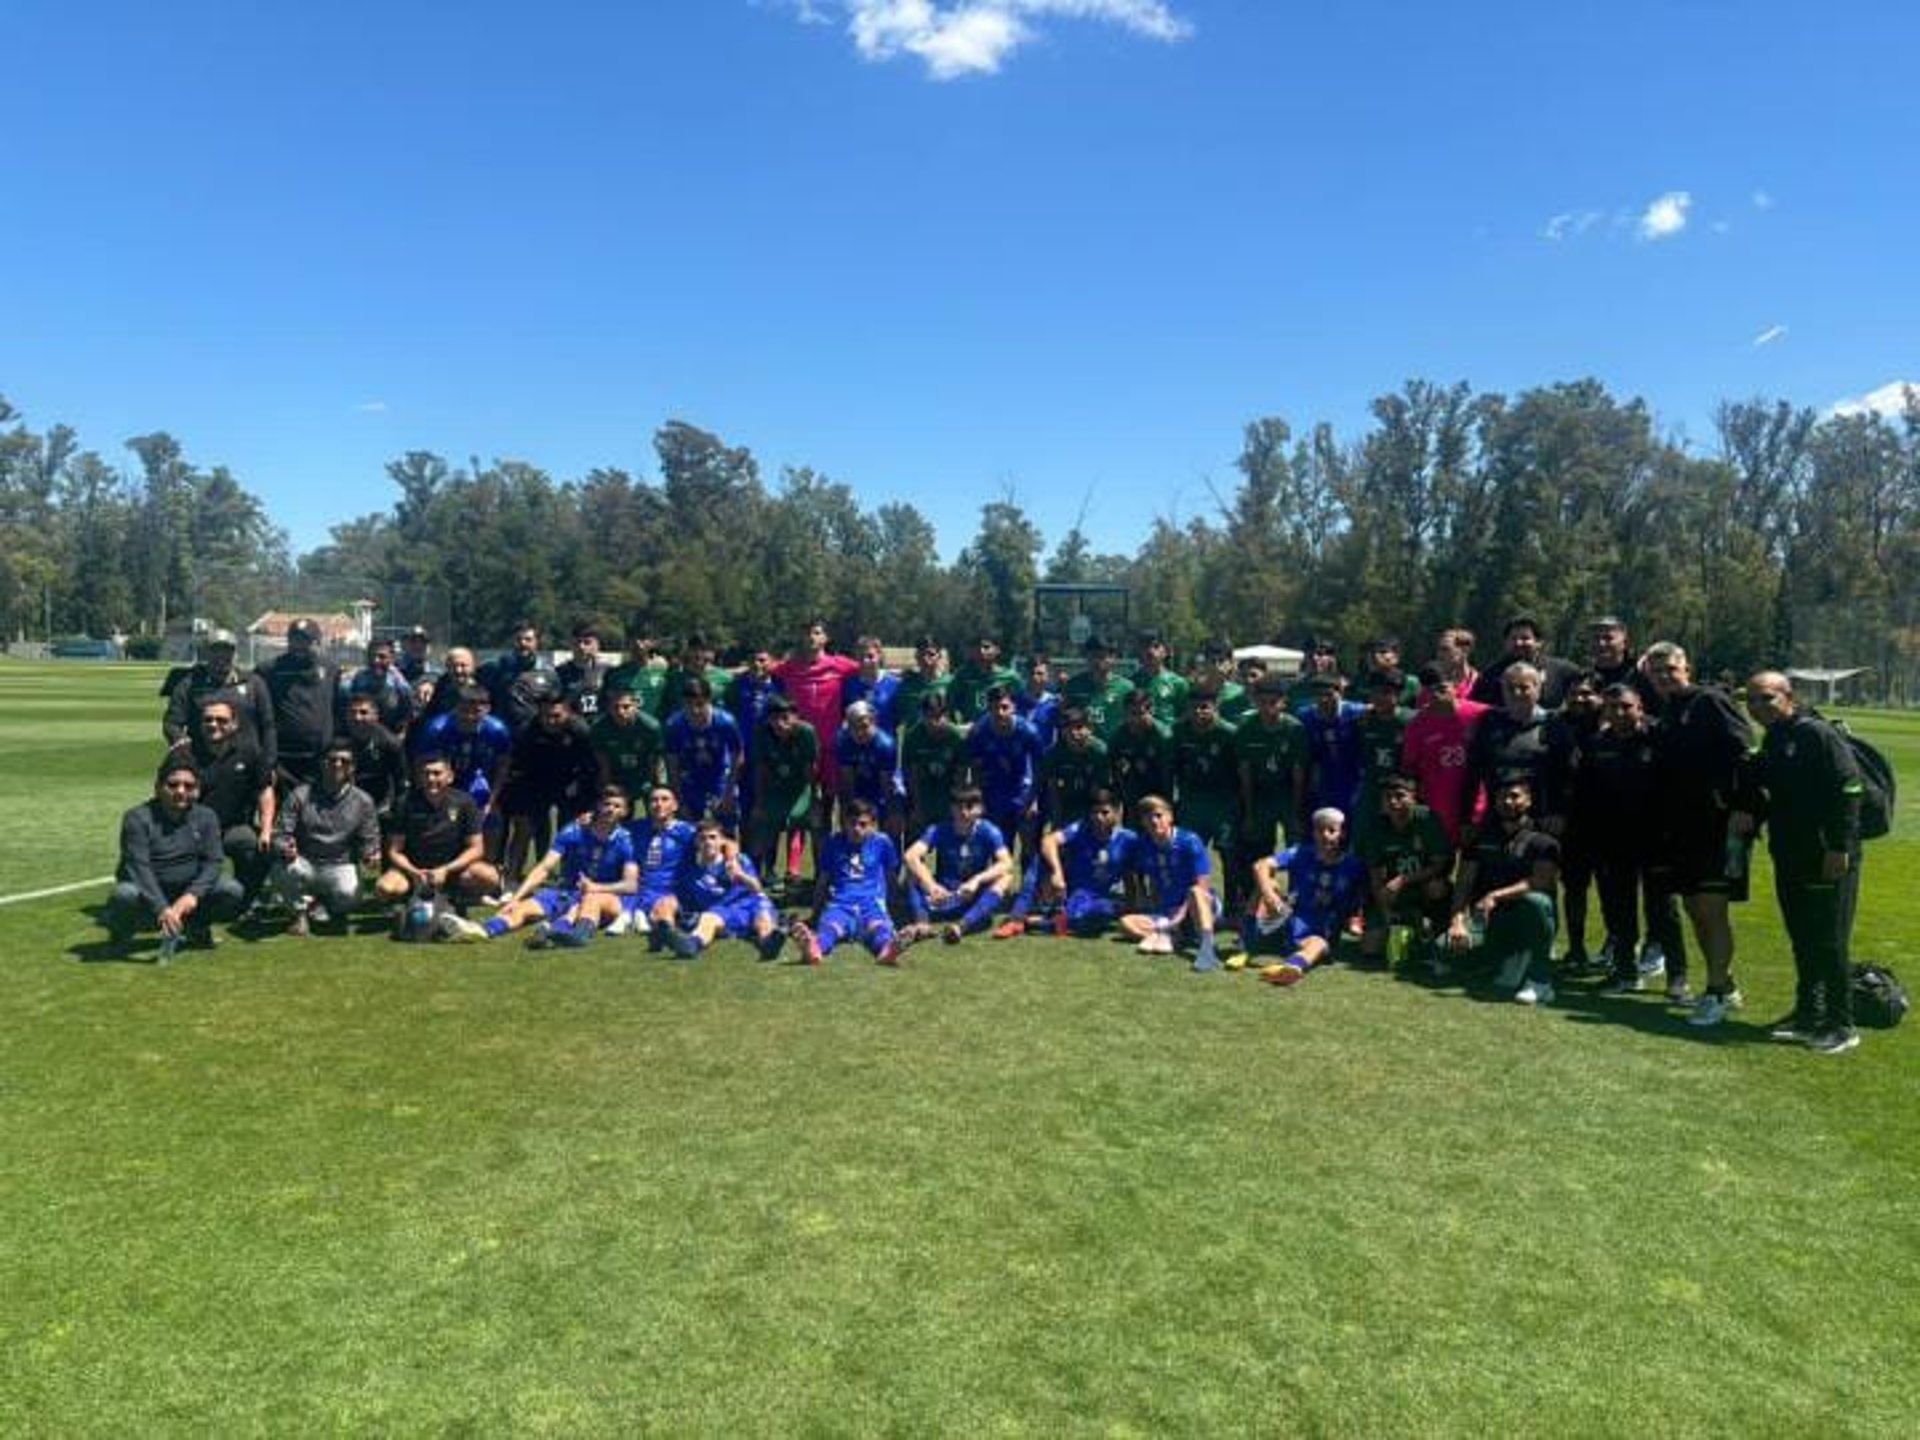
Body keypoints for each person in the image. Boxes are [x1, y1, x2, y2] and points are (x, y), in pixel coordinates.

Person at [1738, 671, 1867, 1055]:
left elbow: (1851, 787)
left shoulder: (1815, 734)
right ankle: (1809, 1013)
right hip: (1790, 853)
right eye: (1752, 700)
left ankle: (1841, 1024)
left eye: (1767, 698)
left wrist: (1839, 847)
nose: (1759, 707)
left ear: (1788, 697)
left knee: (1830, 941)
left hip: (1827, 854)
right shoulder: (1776, 738)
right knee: (1803, 938)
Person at [1645, 642, 1755, 1027]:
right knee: (1694, 908)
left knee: (1711, 908)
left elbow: (1746, 752)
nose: (1662, 676)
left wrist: (1745, 806)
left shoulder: (1710, 701)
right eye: (1655, 671)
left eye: (1669, 668)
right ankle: (1724, 985)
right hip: (1684, 828)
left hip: (1719, 825)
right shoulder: (1670, 710)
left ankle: (1714, 992)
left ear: (1686, 667)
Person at [446, 786, 639, 948]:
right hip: (566, 891)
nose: (610, 809)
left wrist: (596, 888)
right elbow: (545, 867)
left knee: (583, 905)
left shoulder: (627, 840)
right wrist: (517, 897)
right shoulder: (574, 830)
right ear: (598, 805)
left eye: (617, 806)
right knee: (521, 908)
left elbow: (630, 885)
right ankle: (482, 930)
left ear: (625, 811)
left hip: (601, 898)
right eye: (607, 804)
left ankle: (555, 932)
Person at [1588, 684, 1687, 996]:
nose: (1619, 713)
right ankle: (1625, 972)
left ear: (1640, 707)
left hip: (1657, 840)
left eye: (1626, 707)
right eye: (1612, 707)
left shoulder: (1660, 738)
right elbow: (1587, 795)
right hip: (1613, 841)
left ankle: (1677, 977)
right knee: (1619, 910)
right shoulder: (1597, 744)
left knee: (1663, 910)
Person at [102, 758, 245, 959]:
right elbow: (138, 867)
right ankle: (121, 933)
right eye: (173, 785)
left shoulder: (207, 817)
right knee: (123, 894)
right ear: (158, 787)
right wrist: (162, 907)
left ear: (198, 790)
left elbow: (214, 862)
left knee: (231, 890)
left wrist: (192, 895)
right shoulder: (137, 818)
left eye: (189, 786)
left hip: (186, 891)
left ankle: (197, 926)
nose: (180, 791)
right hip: (147, 893)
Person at [1447, 774, 1561, 1005]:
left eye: (1514, 796)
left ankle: (1540, 980)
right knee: (1445, 951)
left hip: (1526, 918)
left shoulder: (1543, 841)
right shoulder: (1480, 837)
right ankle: (1506, 959)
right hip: (1488, 921)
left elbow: (1540, 881)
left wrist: (1495, 895)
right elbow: (1464, 883)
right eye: (1501, 797)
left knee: (1536, 901)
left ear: (1528, 801)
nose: (1507, 802)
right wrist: (1457, 921)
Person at [167, 697, 277, 905]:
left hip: (231, 828)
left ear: (234, 724)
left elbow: (265, 790)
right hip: (189, 830)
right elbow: (164, 795)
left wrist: (266, 828)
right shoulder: (183, 755)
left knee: (257, 845)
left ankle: (245, 900)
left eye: (221, 720)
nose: (213, 725)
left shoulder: (250, 753)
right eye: (208, 720)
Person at [1242, 806, 1369, 985]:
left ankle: (1293, 967)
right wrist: (1270, 895)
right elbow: (1260, 865)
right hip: (1288, 918)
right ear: (1313, 833)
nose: (1325, 835)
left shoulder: (1353, 865)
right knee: (1267, 882)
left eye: (1331, 830)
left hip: (1321, 930)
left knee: (1318, 944)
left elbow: (1364, 895)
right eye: (1319, 830)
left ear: (1342, 834)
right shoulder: (1301, 852)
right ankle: (1248, 941)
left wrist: (1356, 919)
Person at [269, 740, 381, 936]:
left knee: (350, 895)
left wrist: (370, 855)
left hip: (340, 864)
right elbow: (280, 833)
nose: (337, 764)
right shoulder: (300, 795)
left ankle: (326, 905)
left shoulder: (364, 801)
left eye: (344, 761)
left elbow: (369, 839)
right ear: (322, 763)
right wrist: (284, 846)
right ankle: (299, 915)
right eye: (332, 760)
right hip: (305, 862)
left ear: (352, 768)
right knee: (283, 869)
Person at [996, 787, 1139, 939]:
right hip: (1077, 892)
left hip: (1104, 897)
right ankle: (1016, 918)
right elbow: (1048, 841)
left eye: (1105, 812)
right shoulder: (1081, 828)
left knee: (1098, 915)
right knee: (1040, 860)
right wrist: (1057, 873)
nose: (1098, 817)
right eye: (1094, 812)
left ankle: (1039, 922)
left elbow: (1132, 871)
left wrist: (1132, 906)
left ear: (1117, 813)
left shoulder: (1129, 839)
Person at [375, 753, 501, 913]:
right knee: (384, 888)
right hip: (415, 872)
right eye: (426, 773)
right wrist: (414, 872)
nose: (431, 779)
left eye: (437, 773)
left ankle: (457, 897)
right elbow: (394, 850)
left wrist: (446, 870)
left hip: (453, 871)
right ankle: (410, 900)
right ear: (420, 777)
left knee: (490, 877)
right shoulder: (405, 803)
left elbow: (476, 848)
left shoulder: (464, 802)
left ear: (450, 777)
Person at [499, 691, 602, 879]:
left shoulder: (580, 730)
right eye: (545, 715)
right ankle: (526, 872)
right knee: (531, 826)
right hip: (536, 781)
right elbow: (516, 765)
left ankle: (569, 873)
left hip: (570, 783)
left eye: (556, 716)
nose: (551, 721)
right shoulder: (527, 730)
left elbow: (592, 766)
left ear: (568, 713)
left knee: (570, 828)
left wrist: (583, 791)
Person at [1355, 775, 1454, 969]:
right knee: (1370, 947)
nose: (1393, 801)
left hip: (1423, 884)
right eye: (1388, 797)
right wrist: (1385, 913)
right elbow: (1375, 875)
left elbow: (1440, 864)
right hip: (1395, 892)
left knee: (1437, 887)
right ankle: (1410, 929)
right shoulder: (1376, 826)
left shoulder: (1427, 818)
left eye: (1400, 796)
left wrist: (1403, 879)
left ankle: (1439, 930)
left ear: (1414, 798)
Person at [791, 799, 904, 966]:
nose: (856, 829)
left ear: (873, 825)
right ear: (844, 823)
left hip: (871, 903)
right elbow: (823, 881)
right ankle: (813, 949)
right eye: (852, 823)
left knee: (879, 928)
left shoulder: (882, 843)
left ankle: (888, 951)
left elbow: (891, 877)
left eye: (863, 824)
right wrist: (815, 914)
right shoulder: (833, 843)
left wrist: (895, 906)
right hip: (841, 903)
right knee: (831, 928)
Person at [1119, 794, 1223, 972]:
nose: (1154, 821)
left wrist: (1179, 916)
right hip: (1167, 911)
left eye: (1158, 815)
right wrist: (1143, 895)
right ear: (1143, 822)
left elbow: (1203, 886)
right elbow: (1135, 871)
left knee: (1195, 892)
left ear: (1170, 817)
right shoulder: (1144, 844)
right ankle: (1173, 935)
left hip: (1198, 906)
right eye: (1148, 817)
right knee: (1126, 922)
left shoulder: (1189, 841)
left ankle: (1207, 948)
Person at [899, 786, 1014, 944]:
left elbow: (1007, 862)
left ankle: (961, 926)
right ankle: (922, 924)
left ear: (980, 809)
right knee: (912, 873)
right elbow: (910, 855)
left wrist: (977, 880)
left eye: (969, 807)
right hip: (942, 896)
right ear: (951, 809)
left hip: (971, 897)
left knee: (1005, 878)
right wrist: (931, 885)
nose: (964, 813)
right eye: (959, 807)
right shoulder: (939, 829)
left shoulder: (989, 831)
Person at [666, 816, 787, 961]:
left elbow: (757, 888)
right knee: (708, 919)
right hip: (722, 911)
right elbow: (685, 901)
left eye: (712, 837)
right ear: (696, 842)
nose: (708, 842)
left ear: (722, 841)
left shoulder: (740, 860)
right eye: (703, 838)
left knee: (763, 918)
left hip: (750, 903)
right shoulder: (691, 872)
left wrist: (740, 875)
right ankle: (692, 944)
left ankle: (768, 945)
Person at [1401, 663, 1491, 846]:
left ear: (1455, 686)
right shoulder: (1417, 725)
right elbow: (1410, 768)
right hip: (1437, 810)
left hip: (1478, 807)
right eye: (1429, 690)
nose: (1436, 695)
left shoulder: (1481, 714)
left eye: (1442, 688)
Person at [161, 627, 276, 763]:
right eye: (215, 650)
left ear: (234, 653)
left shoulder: (254, 683)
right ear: (206, 653)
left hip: (247, 766)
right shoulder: (190, 684)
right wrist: (180, 741)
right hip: (203, 763)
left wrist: (269, 762)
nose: (221, 655)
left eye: (227, 650)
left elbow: (268, 726)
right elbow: (172, 723)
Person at [1169, 683, 1241, 900]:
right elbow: (1172, 768)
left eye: (1204, 707)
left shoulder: (1230, 733)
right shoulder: (1179, 731)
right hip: (1191, 802)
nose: (1199, 713)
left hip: (1223, 804)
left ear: (1215, 706)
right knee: (1187, 852)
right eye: (1194, 708)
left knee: (1229, 854)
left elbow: (1241, 772)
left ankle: (1232, 904)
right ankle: (1189, 902)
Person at [744, 696, 819, 894]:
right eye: (775, 718)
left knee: (797, 818)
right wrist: (759, 803)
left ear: (796, 717)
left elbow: (810, 770)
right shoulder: (762, 733)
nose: (780, 724)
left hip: (799, 786)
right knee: (766, 820)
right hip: (774, 786)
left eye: (786, 718)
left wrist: (813, 800)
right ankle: (766, 871)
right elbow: (761, 769)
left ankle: (798, 872)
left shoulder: (806, 732)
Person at [258, 617, 339, 789]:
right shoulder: (270, 669)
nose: (299, 646)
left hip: (319, 757)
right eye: (295, 640)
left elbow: (338, 706)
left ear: (317, 641)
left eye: (305, 640)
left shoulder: (332, 668)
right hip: (284, 758)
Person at [1236, 677, 1309, 869]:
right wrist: (1249, 813)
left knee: (1296, 846)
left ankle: (1296, 893)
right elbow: (1245, 773)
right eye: (1262, 702)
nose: (1268, 708)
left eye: (1273, 702)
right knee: (1258, 849)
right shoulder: (1247, 729)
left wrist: (1295, 813)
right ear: (1254, 701)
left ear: (1283, 702)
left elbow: (1298, 773)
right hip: (1261, 795)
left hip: (1287, 794)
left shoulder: (1295, 729)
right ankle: (1261, 895)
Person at [967, 685, 1043, 856]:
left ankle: (1028, 883)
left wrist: (1033, 799)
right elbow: (974, 767)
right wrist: (977, 797)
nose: (1000, 712)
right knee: (999, 848)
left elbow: (1040, 769)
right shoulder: (979, 731)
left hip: (1021, 791)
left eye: (1005, 707)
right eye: (994, 708)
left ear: (1014, 707)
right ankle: (1000, 882)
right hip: (993, 793)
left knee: (1030, 846)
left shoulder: (1028, 731)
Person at [663, 677, 747, 831]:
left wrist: (729, 791)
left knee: (726, 828)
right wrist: (679, 800)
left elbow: (738, 755)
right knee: (689, 830)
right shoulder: (675, 725)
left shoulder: (725, 722)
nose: (695, 710)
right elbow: (671, 764)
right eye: (689, 705)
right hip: (690, 780)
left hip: (719, 779)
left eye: (700, 705)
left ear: (709, 700)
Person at [629, 784, 700, 948]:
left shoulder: (687, 831)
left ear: (675, 806)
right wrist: (588, 820)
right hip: (642, 891)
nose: (659, 804)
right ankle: (662, 931)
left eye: (664, 799)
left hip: (673, 891)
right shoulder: (637, 828)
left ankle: (665, 933)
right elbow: (606, 827)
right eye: (654, 800)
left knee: (664, 907)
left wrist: (731, 851)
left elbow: (721, 841)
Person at [900, 689, 971, 843]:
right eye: (929, 717)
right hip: (922, 793)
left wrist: (955, 805)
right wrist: (916, 806)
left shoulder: (955, 737)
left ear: (946, 715)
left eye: (939, 716)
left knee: (950, 846)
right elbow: (910, 774)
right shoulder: (913, 736)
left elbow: (962, 772)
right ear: (922, 715)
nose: (934, 722)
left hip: (947, 794)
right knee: (914, 840)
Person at [1468, 615, 1582, 710]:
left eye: (1525, 638)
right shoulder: (1490, 675)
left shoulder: (1562, 670)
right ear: (1505, 642)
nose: (1518, 643)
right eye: (1513, 638)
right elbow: (1476, 709)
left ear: (1539, 642)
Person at [835, 700, 903, 841]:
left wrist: (889, 813)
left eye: (864, 726)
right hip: (859, 785)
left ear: (874, 722)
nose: (860, 732)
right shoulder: (843, 740)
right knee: (851, 820)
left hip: (882, 786)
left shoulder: (885, 744)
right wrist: (848, 810)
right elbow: (848, 782)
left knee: (891, 822)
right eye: (854, 727)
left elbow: (886, 785)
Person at [479, 620, 559, 735]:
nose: (523, 643)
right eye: (518, 639)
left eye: (528, 640)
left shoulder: (549, 674)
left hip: (534, 736)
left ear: (537, 642)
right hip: (502, 734)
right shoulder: (496, 668)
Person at [342, 692, 409, 830]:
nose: (357, 717)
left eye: (363, 712)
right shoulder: (338, 739)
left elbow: (401, 781)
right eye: (352, 712)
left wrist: (397, 813)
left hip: (380, 806)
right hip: (345, 803)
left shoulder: (390, 743)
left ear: (375, 716)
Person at [1038, 706, 1110, 831]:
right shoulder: (1054, 753)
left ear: (1090, 729)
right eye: (1067, 728)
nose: (1073, 733)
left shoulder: (1100, 751)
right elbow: (1052, 787)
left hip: (1093, 805)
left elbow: (1104, 791)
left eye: (1079, 727)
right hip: (1066, 804)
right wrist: (1057, 819)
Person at [590, 686, 665, 804]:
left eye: (626, 707)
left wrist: (656, 786)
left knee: (655, 810)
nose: (620, 712)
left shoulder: (651, 727)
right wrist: (607, 784)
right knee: (619, 815)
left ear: (635, 706)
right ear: (609, 708)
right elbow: (602, 761)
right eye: (615, 707)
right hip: (617, 776)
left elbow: (655, 760)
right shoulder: (599, 728)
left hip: (644, 775)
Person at [1108, 687, 1173, 818]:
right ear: (1125, 713)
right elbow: (1113, 769)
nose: (1137, 719)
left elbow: (1170, 776)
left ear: (1151, 711)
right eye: (1132, 713)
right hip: (1132, 795)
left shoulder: (1163, 737)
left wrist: (1167, 804)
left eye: (1141, 713)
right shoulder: (1118, 736)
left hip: (1159, 794)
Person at [338, 637, 416, 737]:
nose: (376, 661)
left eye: (382, 657)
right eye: (372, 656)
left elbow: (409, 715)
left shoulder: (399, 684)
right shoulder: (355, 681)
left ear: (391, 658)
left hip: (390, 738)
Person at [1062, 635, 1134, 738]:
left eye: (1101, 656)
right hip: (1084, 749)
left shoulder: (1126, 687)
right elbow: (1065, 718)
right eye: (1092, 656)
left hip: (1114, 750)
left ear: (1112, 658)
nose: (1096, 661)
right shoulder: (1074, 685)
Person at [947, 634, 1021, 724]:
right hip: (973, 731)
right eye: (977, 648)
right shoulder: (962, 677)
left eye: (986, 647)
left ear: (997, 650)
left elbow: (1022, 705)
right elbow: (951, 705)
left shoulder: (1010, 677)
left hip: (1002, 731)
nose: (981, 651)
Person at [840, 636, 903, 736]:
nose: (865, 661)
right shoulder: (849, 685)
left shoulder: (894, 684)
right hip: (856, 748)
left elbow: (899, 718)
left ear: (880, 656)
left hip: (886, 747)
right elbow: (844, 716)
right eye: (861, 657)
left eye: (870, 656)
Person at [603, 630, 670, 719]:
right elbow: (605, 704)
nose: (637, 643)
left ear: (653, 643)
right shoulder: (615, 674)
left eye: (642, 639)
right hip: (624, 728)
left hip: (654, 728)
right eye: (633, 639)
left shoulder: (663, 672)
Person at [1132, 631, 1189, 726]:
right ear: (1139, 651)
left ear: (1165, 652)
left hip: (1167, 738)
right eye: (1145, 647)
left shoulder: (1178, 683)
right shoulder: (1132, 682)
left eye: (1156, 646)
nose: (1150, 651)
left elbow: (1185, 715)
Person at [556, 621, 609, 719]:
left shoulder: (608, 672)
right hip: (571, 728)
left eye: (587, 642)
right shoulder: (559, 673)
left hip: (600, 729)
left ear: (597, 645)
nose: (581, 647)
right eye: (577, 642)